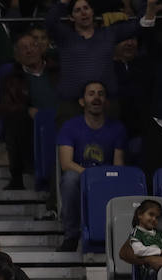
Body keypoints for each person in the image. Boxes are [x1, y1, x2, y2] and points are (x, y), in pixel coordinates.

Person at [56, 81, 127, 251]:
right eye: (91, 93)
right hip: (81, 174)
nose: (96, 97)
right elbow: (66, 164)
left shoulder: (118, 128)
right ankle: (71, 236)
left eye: (101, 93)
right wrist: (92, 176)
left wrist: (103, 177)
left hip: (107, 176)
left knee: (121, 179)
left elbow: (119, 165)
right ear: (82, 101)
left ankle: (116, 237)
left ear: (107, 101)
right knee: (70, 179)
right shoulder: (70, 127)